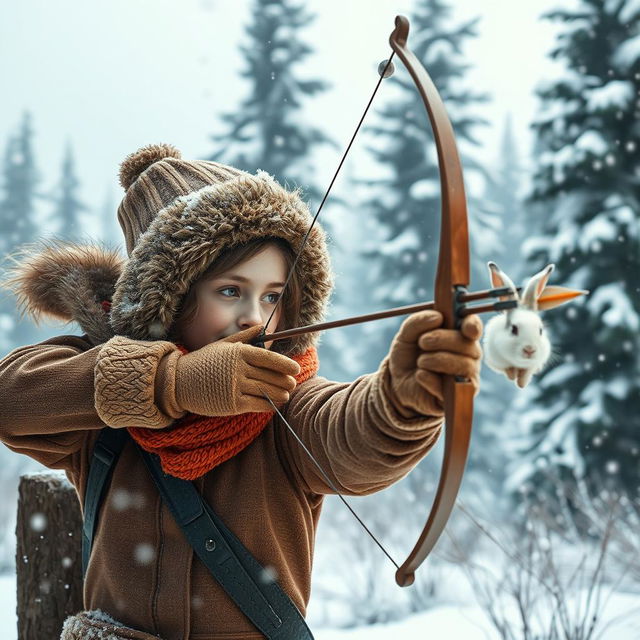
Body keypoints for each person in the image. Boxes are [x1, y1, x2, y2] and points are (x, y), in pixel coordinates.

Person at [0, 143, 483, 640]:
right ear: (171, 300)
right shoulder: (104, 406)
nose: (256, 315)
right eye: (231, 290)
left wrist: (405, 396)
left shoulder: (286, 401)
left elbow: (353, 434)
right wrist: (170, 383)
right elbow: (10, 398)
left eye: (273, 295)